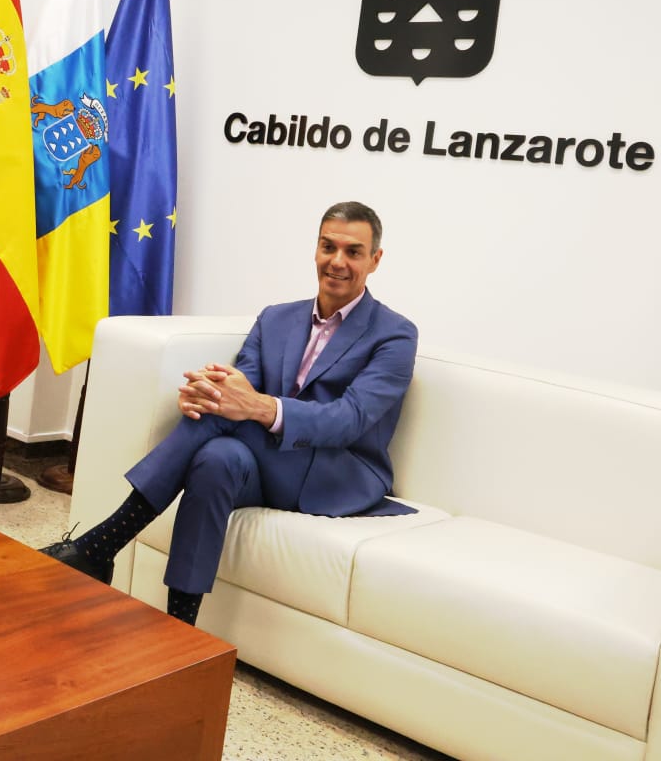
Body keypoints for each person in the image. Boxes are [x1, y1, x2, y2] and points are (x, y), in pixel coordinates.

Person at [41, 201, 418, 627]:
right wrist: (203, 395)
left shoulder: (395, 334)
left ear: (375, 260)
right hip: (267, 465)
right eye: (328, 246)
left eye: (353, 251)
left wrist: (254, 406)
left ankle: (100, 544)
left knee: (226, 418)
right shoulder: (276, 318)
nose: (337, 261)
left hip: (335, 473)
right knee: (216, 458)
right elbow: (241, 383)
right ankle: (181, 629)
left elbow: (348, 420)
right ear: (315, 248)